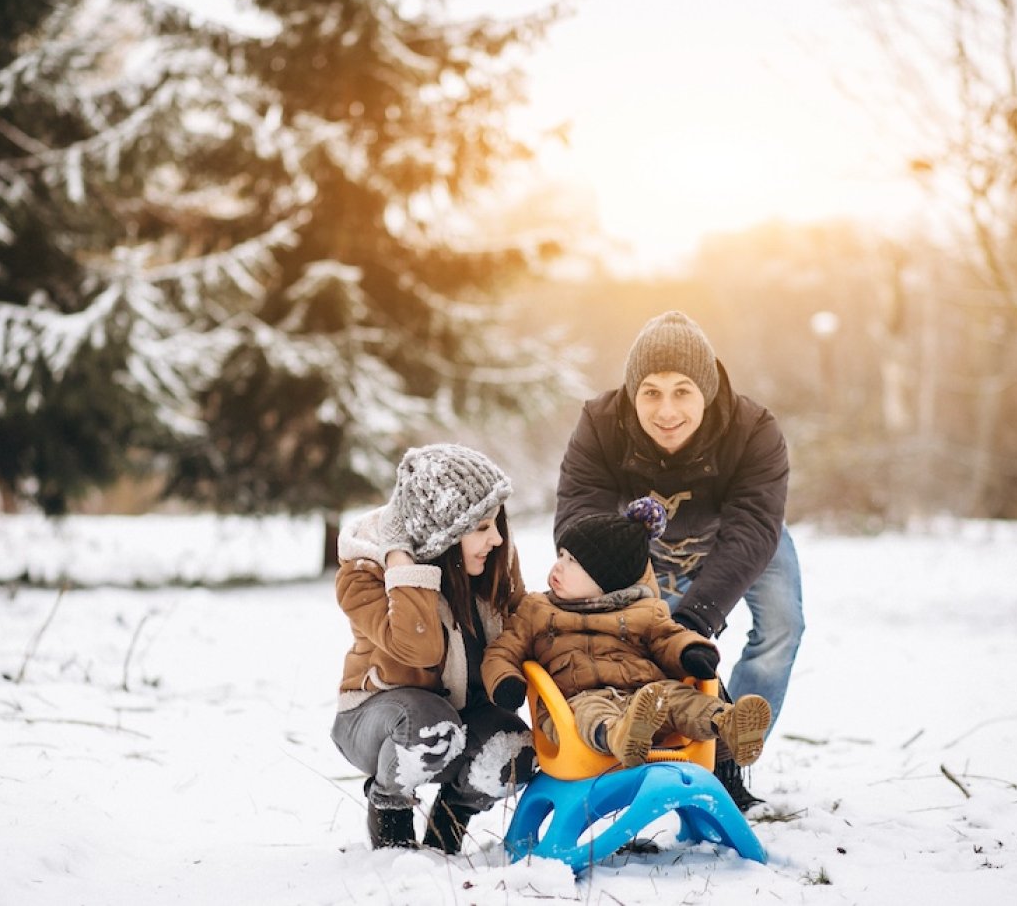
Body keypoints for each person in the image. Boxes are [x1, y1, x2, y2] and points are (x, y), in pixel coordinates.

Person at [554, 310, 803, 810]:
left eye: (682, 391)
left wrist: (697, 616)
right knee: (655, 648)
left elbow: (753, 528)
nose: (667, 410)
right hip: (643, 547)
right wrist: (639, 605)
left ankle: (734, 752)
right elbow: (578, 515)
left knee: (782, 626)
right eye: (651, 392)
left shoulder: (754, 430)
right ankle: (683, 758)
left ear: (706, 392)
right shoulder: (601, 424)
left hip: (739, 540)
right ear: (632, 393)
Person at [332, 443, 536, 853]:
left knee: (515, 750)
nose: (495, 539)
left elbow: (527, 627)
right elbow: (419, 650)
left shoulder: (491, 564)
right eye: (480, 528)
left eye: (495, 524)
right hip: (376, 722)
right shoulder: (364, 574)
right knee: (430, 724)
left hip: (462, 717)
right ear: (441, 533)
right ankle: (390, 811)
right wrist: (402, 564)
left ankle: (450, 823)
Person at [483, 498, 771, 770]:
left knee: (678, 697)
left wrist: (691, 651)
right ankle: (620, 736)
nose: (558, 565)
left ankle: (728, 723)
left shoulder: (643, 611)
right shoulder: (537, 610)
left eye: (573, 561)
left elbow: (669, 637)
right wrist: (506, 681)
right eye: (561, 555)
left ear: (606, 581)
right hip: (574, 705)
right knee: (591, 711)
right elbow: (503, 650)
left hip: (646, 700)